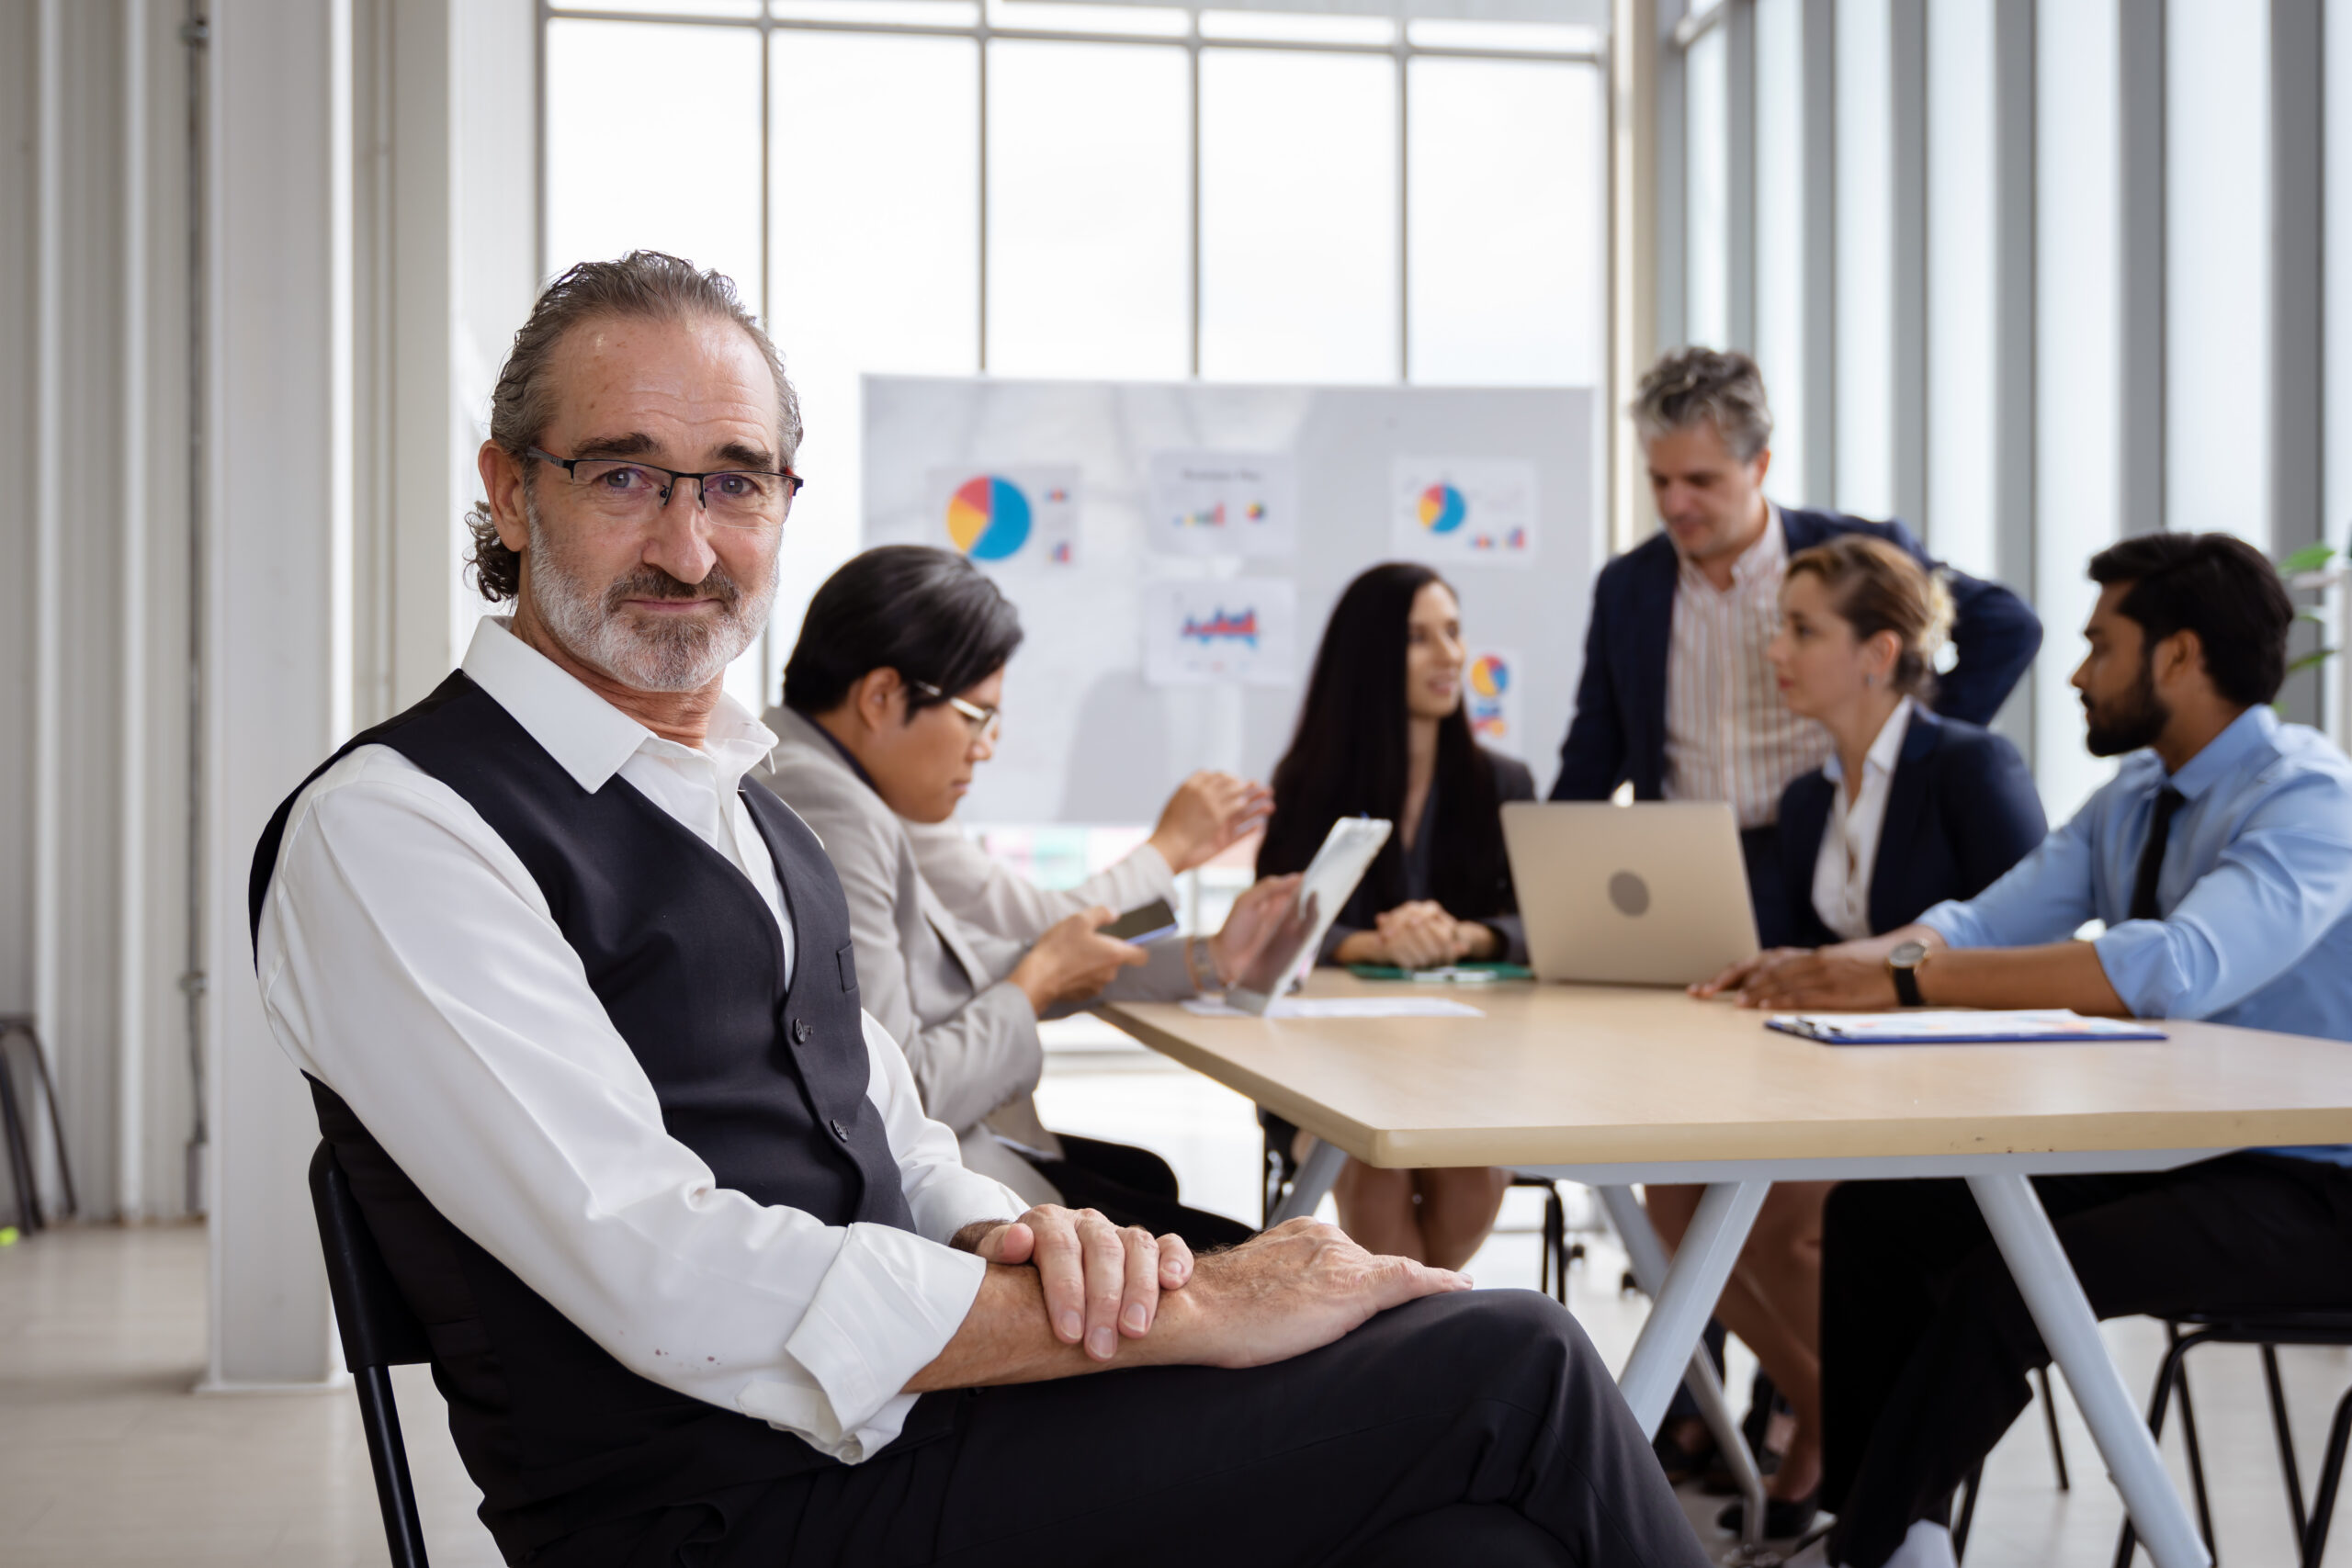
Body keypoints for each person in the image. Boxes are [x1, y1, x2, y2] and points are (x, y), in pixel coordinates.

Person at [248, 252, 1712, 1568]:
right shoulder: (395, 825)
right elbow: (662, 1266)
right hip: (717, 1507)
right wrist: (1196, 1304)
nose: (691, 547)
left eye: (737, 480)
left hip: (909, 1434)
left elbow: (896, 1133)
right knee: (1513, 1360)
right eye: (627, 475)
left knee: (1475, 1539)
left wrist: (1015, 1238)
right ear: (511, 490)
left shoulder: (755, 806)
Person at [1723, 532, 2352, 1568]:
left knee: (2011, 1274)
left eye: (2099, 645)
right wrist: (1828, 968)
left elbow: (2175, 966)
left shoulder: (2307, 800)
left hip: (2314, 1184)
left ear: (2179, 658)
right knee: (1881, 1213)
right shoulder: (2137, 796)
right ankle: (1896, 1542)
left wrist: (1902, 979)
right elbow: (1974, 925)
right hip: (2192, 1155)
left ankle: (1862, 1553)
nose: (2071, 672)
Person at [1650, 535, 2046, 1539]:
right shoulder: (1807, 797)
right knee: (1672, 1193)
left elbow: (2028, 936)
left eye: (1800, 629)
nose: (1774, 649)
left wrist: (1858, 970)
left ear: (1877, 653)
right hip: (1842, 1076)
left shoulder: (1970, 764)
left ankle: (1850, 1449)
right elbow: (1809, 950)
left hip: (1956, 1083)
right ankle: (1837, 1420)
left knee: (1769, 1214)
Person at [757, 544, 1284, 1248]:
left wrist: (1209, 958)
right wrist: (1035, 985)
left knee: (1156, 1185)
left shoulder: (840, 785)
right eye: (976, 717)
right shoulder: (830, 802)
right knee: (1237, 1246)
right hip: (951, 1188)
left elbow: (1004, 953)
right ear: (880, 697)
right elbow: (899, 1088)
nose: (987, 748)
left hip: (972, 1150)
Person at [1549, 348, 2042, 949]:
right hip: (1681, 862)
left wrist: (1908, 756)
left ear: (1759, 465)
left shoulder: (1848, 556)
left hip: (1811, 845)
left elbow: (2006, 624)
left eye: (1701, 480)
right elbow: (1595, 749)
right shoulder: (1628, 585)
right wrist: (1549, 886)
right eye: (1660, 480)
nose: (1675, 504)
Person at [1256, 563, 1535, 1270]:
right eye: (1419, 638)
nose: (1449, 655)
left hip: (1464, 1066)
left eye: (1452, 631)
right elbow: (1272, 928)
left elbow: (1549, 923)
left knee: (1473, 1174)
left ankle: (1412, 1353)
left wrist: (1466, 935)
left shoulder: (1502, 783)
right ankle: (1428, 1359)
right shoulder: (1309, 783)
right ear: (1373, 656)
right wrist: (1369, 944)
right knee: (1374, 1166)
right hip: (1330, 1066)